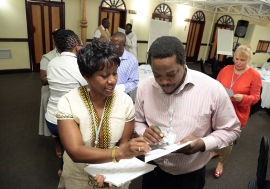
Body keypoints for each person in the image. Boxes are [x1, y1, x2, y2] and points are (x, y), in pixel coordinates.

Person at [134, 36, 241, 189]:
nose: (164, 81)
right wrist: (144, 132)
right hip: (153, 168)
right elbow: (138, 121)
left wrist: (203, 143)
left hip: (190, 173)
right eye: (157, 75)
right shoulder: (145, 87)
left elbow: (231, 129)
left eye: (171, 74)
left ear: (184, 63)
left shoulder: (212, 89)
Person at [55, 39, 150, 189]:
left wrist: (112, 172)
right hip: (79, 175)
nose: (112, 80)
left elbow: (123, 143)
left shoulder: (125, 102)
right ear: (86, 76)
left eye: (115, 73)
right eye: (104, 76)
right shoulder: (68, 102)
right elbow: (75, 151)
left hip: (113, 171)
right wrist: (118, 154)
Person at [213, 45, 262, 178]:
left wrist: (244, 98)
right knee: (216, 131)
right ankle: (218, 150)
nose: (238, 62)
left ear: (249, 60)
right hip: (220, 108)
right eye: (236, 59)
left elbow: (256, 97)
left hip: (237, 112)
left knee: (228, 138)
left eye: (242, 60)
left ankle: (221, 163)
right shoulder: (225, 69)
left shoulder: (254, 75)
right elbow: (215, 86)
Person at [45, 29, 87, 176]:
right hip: (68, 121)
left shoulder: (52, 63)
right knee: (76, 149)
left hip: (51, 119)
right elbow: (89, 87)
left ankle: (62, 169)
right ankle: (67, 173)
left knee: (66, 146)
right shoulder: (78, 64)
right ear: (76, 46)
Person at [39, 29, 62, 158]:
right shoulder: (48, 57)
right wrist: (58, 76)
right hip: (50, 88)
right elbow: (43, 80)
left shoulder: (74, 55)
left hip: (68, 86)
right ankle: (57, 142)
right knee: (47, 97)